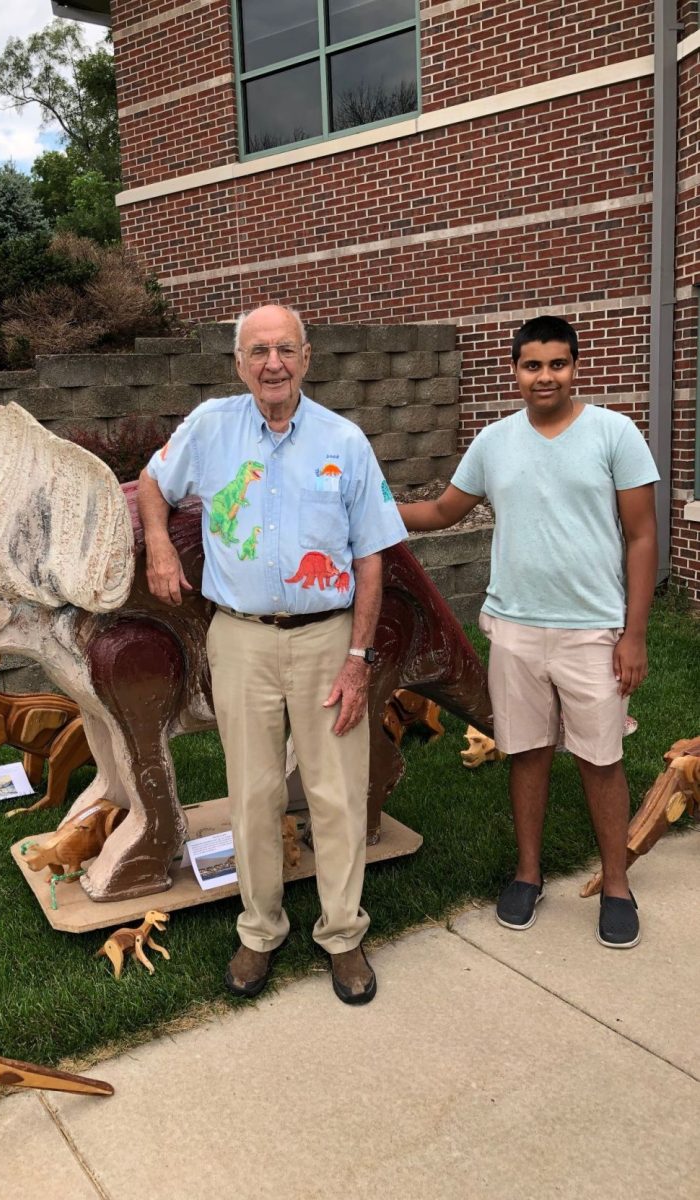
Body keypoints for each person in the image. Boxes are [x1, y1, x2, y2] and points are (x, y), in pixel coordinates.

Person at [137, 304, 407, 1003]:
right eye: (257, 352)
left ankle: (343, 936)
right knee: (252, 794)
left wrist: (360, 659)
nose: (272, 364)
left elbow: (373, 557)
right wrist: (162, 547)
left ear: (307, 357)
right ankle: (260, 931)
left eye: (284, 349)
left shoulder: (344, 442)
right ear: (238, 364)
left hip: (327, 640)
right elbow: (151, 484)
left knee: (336, 794)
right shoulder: (210, 428)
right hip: (242, 638)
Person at [399, 315, 659, 949]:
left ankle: (618, 884)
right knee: (528, 752)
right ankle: (527, 874)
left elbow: (643, 535)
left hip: (593, 631)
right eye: (532, 365)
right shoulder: (494, 441)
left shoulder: (614, 434)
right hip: (514, 629)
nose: (546, 376)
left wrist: (634, 635)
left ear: (576, 367)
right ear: (514, 371)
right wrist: (366, 503)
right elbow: (440, 512)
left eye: (558, 364)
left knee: (601, 759)